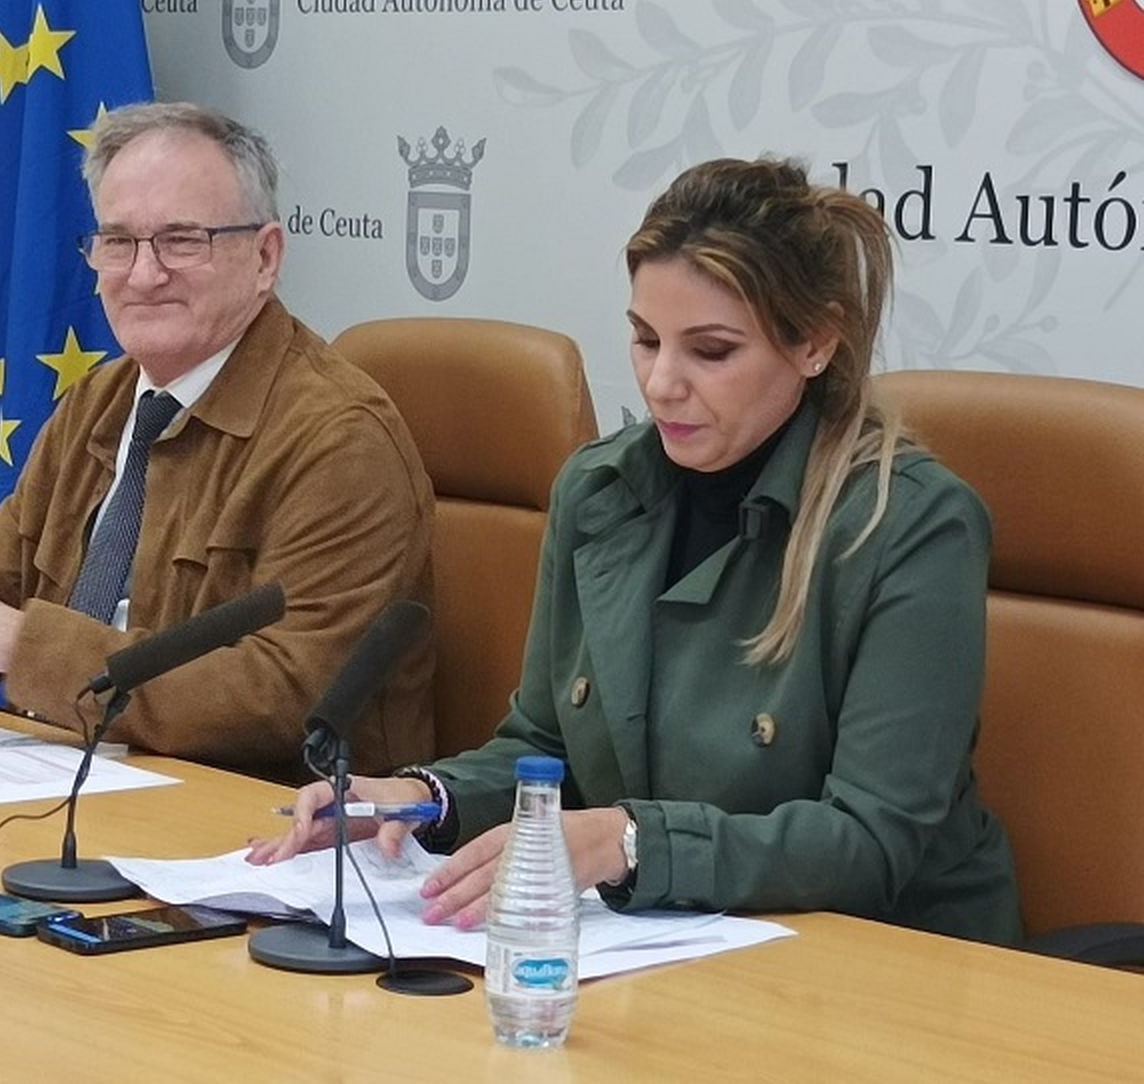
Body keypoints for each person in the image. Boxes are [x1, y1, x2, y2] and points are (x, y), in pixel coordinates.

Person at [251, 157, 1022, 944]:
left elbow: (871, 841)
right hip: (671, 942)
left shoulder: (911, 524)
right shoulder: (598, 489)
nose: (661, 383)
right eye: (645, 339)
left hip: (887, 961)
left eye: (711, 352)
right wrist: (424, 799)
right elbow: (545, 746)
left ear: (816, 342)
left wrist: (627, 842)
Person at [0, 102, 436, 782]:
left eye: (183, 241)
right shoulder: (103, 401)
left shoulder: (338, 437)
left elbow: (289, 694)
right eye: (119, 241)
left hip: (259, 832)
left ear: (265, 256)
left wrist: (26, 646)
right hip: (69, 787)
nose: (143, 274)